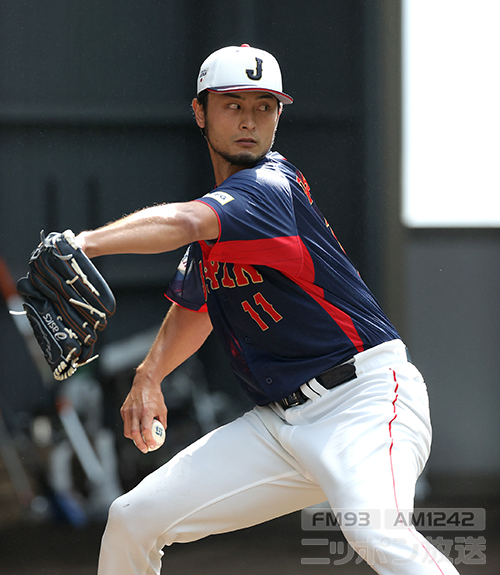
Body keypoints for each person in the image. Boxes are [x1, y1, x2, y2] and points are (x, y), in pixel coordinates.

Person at [76, 45, 459, 574]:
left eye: (265, 106)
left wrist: (85, 243)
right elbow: (198, 306)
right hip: (279, 425)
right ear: (200, 112)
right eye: (233, 104)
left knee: (377, 530)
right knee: (133, 517)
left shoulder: (268, 189)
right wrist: (149, 376)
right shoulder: (223, 222)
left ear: (279, 116)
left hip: (363, 404)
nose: (250, 120)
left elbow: (187, 222)